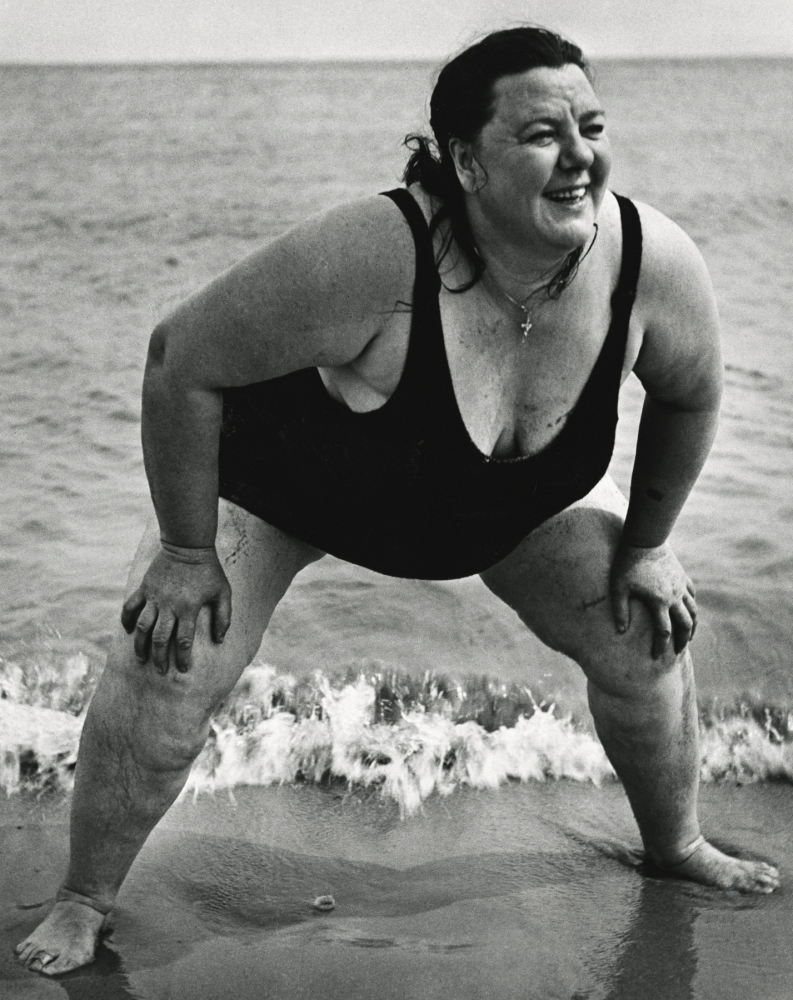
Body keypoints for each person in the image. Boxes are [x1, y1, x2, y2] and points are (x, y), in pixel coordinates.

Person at [16, 25, 779, 977]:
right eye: (542, 134)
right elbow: (180, 359)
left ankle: (676, 845)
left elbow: (690, 394)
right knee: (171, 652)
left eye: (591, 126)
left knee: (645, 630)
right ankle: (85, 898)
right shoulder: (376, 255)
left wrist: (651, 542)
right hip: (292, 488)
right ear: (466, 160)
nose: (580, 155)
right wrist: (184, 551)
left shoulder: (649, 263)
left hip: (506, 500)